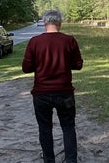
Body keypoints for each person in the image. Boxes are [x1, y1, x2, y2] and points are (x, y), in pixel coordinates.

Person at [22, 10, 84, 163]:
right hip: (64, 93)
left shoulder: (35, 42)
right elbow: (78, 65)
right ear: (60, 23)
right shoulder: (69, 40)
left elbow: (26, 68)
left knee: (45, 129)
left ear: (44, 23)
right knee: (68, 127)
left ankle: (49, 160)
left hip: (41, 93)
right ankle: (71, 160)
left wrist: (41, 63)